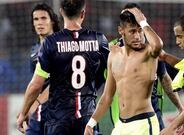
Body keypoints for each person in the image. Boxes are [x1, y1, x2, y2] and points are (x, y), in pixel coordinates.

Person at [17, 0, 109, 134]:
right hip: (87, 117)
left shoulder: (50, 43)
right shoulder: (99, 40)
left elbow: (36, 85)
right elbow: (111, 71)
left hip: (59, 119)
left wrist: (23, 112)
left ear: (61, 12)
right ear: (83, 13)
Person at [84, 5, 163, 135]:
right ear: (121, 31)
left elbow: (158, 45)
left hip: (143, 123)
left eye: (140, 31)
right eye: (132, 31)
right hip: (121, 125)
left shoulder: (148, 53)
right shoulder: (113, 54)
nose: (137, 36)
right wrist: (91, 123)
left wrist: (143, 21)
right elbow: (107, 96)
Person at [25, 3, 60, 135]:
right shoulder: (34, 50)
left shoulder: (60, 46)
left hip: (58, 109)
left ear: (52, 21)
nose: (39, 22)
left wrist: (34, 105)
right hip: (39, 109)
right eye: (36, 19)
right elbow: (35, 84)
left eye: (43, 18)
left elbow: (59, 82)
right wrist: (26, 108)